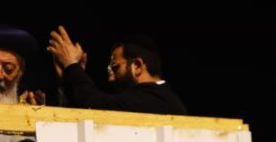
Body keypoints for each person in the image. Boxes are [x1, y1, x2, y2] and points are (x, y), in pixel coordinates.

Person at [47, 26, 187, 115]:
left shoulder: (159, 99)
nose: (110, 78)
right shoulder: (149, 98)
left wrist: (72, 65)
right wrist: (68, 79)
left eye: (114, 67)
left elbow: (93, 103)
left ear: (137, 66)